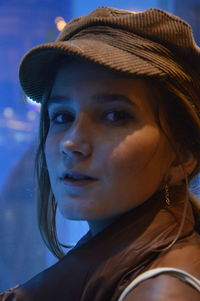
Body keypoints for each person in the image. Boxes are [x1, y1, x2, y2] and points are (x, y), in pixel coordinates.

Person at [1, 6, 200, 301]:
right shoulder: (108, 268)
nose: (72, 143)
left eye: (115, 116)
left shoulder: (161, 291)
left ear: (182, 155)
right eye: (62, 116)